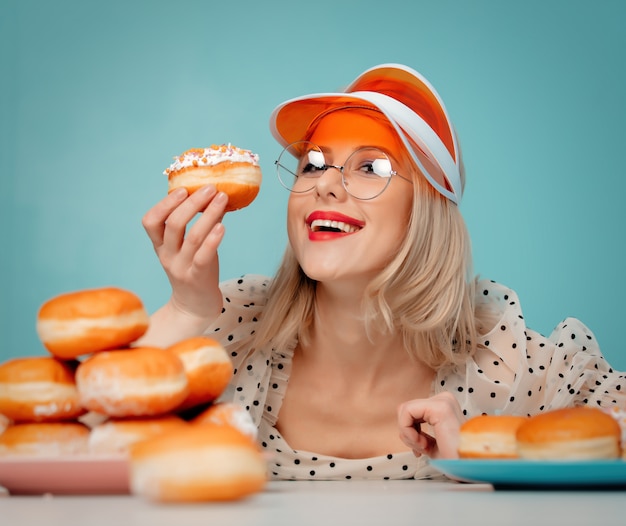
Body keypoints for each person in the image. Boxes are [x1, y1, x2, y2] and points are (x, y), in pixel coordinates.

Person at [139, 64, 626, 480]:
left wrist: (489, 455)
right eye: (312, 164)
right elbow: (81, 429)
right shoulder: (229, 332)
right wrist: (186, 308)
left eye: (370, 168)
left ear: (427, 207)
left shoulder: (509, 363)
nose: (326, 185)